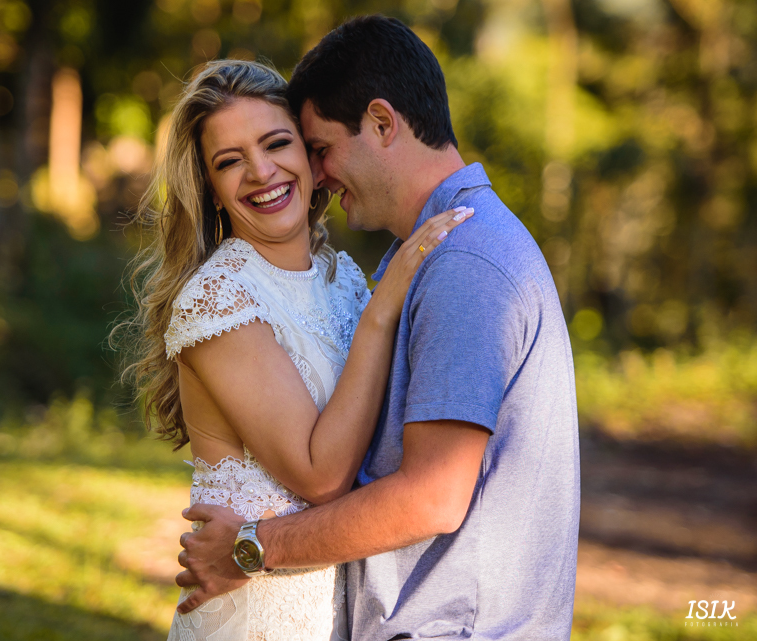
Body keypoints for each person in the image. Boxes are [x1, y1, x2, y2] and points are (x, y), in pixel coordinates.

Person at [175, 15, 581, 641]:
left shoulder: (459, 262)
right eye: (232, 160)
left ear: (383, 123)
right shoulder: (408, 259)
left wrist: (250, 547)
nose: (312, 172)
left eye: (314, 149)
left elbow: (432, 496)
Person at [121, 58, 472, 640]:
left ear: (312, 156)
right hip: (255, 615)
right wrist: (383, 312)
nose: (260, 172)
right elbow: (321, 476)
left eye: (276, 143)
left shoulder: (342, 282)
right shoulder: (218, 298)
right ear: (209, 188)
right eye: (229, 162)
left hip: (339, 607)